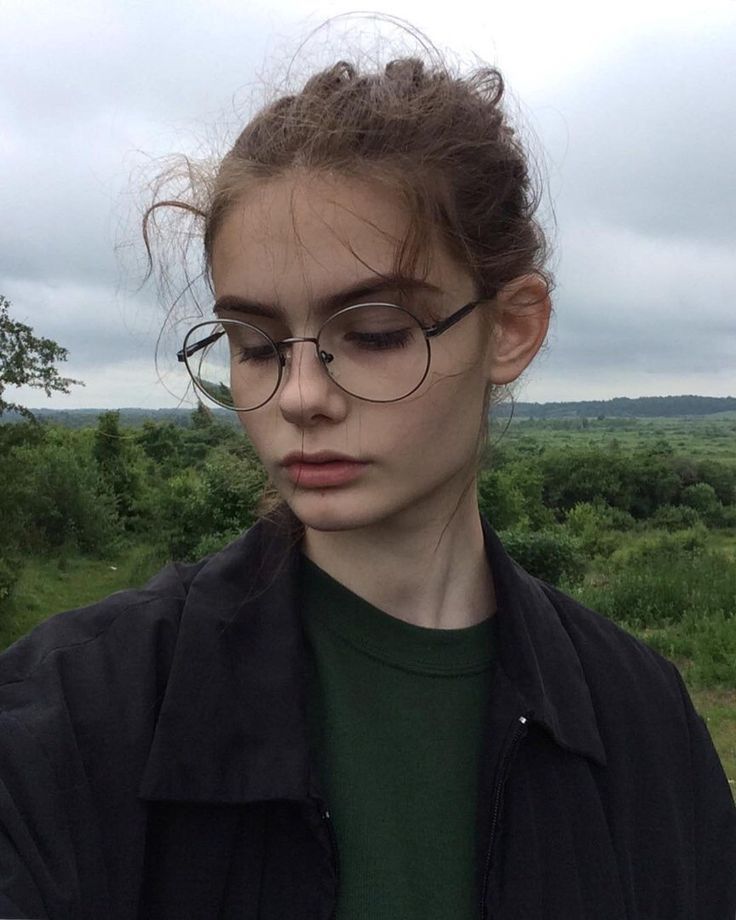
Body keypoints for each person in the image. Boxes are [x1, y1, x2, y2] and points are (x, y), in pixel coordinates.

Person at [1, 39, 734, 920]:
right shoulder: (75, 717)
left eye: (378, 332)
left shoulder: (642, 720)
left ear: (511, 328)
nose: (301, 395)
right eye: (256, 345)